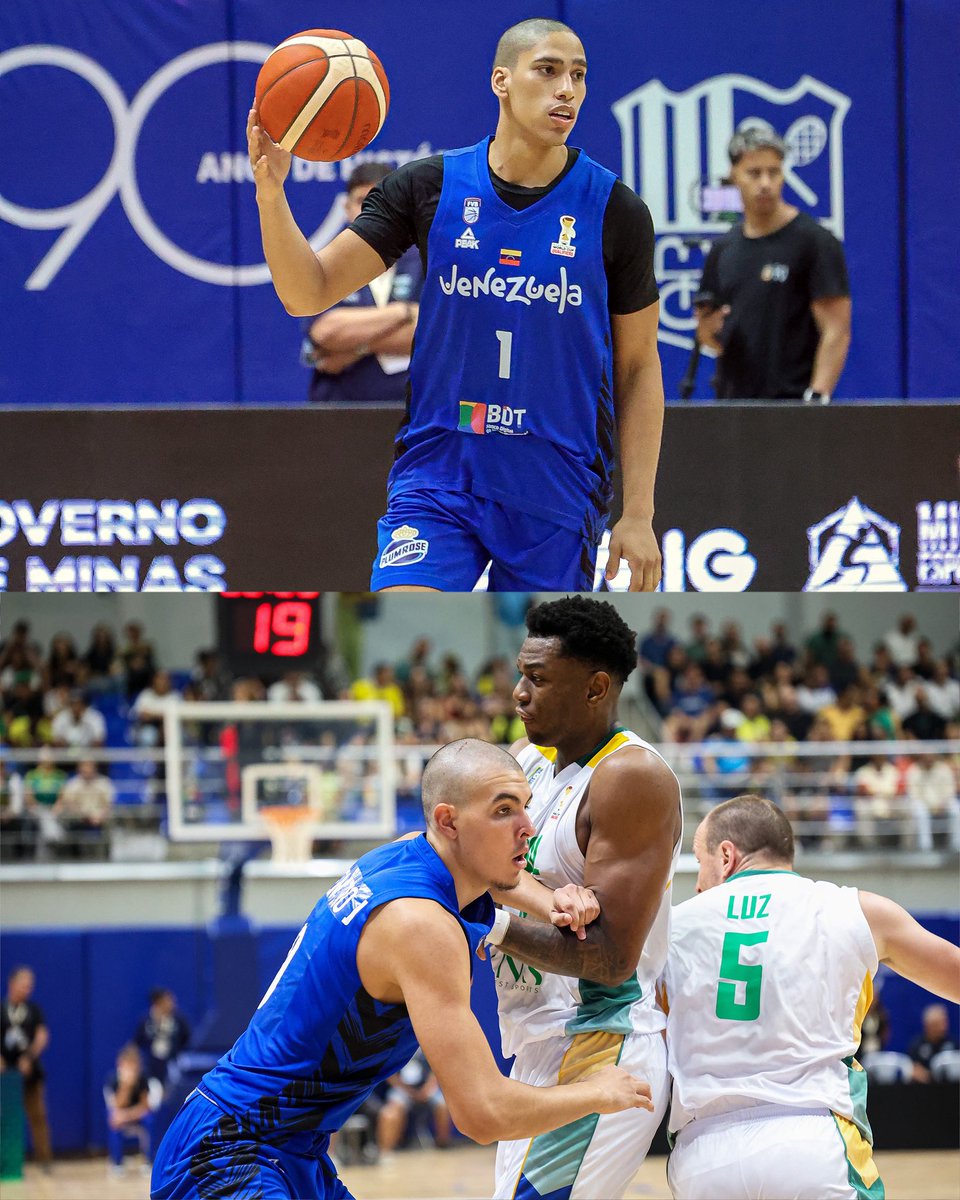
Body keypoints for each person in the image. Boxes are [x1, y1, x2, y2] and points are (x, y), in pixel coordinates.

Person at [248, 18, 664, 592]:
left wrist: (638, 514)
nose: (566, 89)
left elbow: (638, 366)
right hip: (438, 473)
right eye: (547, 70)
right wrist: (271, 193)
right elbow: (306, 292)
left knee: (537, 647)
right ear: (501, 81)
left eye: (578, 75)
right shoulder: (428, 187)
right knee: (405, 618)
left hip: (556, 486)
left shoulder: (616, 209)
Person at [150, 738, 654, 1200]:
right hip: (228, 1152)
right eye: (503, 811)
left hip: (286, 1146)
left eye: (525, 805)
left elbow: (497, 876)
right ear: (448, 821)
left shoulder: (406, 854)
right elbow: (483, 1113)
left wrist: (551, 903)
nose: (528, 826)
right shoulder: (421, 926)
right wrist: (596, 1093)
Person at [662, 794, 960, 1200]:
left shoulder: (673, 926)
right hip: (813, 1140)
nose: (698, 881)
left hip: (703, 1154)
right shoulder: (854, 909)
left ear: (727, 856)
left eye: (700, 860)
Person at [486, 596, 683, 1200]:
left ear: (596, 687)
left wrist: (491, 926)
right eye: (521, 674)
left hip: (602, 1039)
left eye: (539, 678)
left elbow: (611, 958)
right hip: (539, 1041)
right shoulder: (527, 762)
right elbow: (477, 868)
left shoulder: (630, 777)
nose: (519, 693)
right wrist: (539, 899)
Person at [696, 123, 851, 403]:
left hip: (793, 404)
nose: (765, 183)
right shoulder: (723, 249)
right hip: (733, 406)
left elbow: (836, 330)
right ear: (734, 176)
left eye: (774, 172)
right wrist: (709, 329)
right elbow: (710, 337)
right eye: (754, 173)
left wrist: (817, 397)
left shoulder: (815, 241)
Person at [303, 162, 423, 404]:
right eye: (361, 201)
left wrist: (354, 347)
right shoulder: (326, 264)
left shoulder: (426, 260)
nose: (371, 211)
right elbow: (325, 333)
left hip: (414, 407)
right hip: (339, 408)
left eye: (381, 201)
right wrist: (404, 312)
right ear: (347, 209)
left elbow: (430, 333)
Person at [0, 966, 53, 1172]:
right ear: (12, 984)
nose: (27, 990)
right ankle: (7, 1162)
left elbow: (42, 1036)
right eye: (23, 985)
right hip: (5, 1075)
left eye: (30, 986)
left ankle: (44, 1160)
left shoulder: (34, 1010)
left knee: (38, 1116)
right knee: (6, 1118)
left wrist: (29, 1057)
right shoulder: (2, 1009)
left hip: (30, 1073)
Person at [376, 1047, 452, 1154]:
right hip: (402, 1089)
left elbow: (437, 1068)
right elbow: (389, 1075)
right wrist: (409, 1092)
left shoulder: (428, 1044)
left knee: (443, 1105)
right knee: (389, 1113)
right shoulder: (396, 1046)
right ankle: (385, 1151)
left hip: (426, 1089)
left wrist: (427, 1089)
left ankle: (443, 1145)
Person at [104, 1044, 156, 1176]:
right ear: (120, 1064)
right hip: (120, 1114)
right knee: (114, 1121)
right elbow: (116, 1106)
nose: (131, 1069)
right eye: (128, 1065)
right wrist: (126, 1086)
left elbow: (145, 1106)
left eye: (134, 1065)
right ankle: (117, 1163)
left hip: (135, 1115)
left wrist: (127, 1116)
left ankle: (148, 1161)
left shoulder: (143, 1078)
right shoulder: (113, 1079)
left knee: (149, 1119)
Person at [134, 989, 192, 1093]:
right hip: (152, 1064)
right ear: (158, 1002)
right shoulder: (147, 1021)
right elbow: (138, 1041)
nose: (172, 1003)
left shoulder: (178, 1020)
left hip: (172, 1062)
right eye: (168, 1000)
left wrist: (176, 1050)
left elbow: (186, 1038)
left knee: (173, 1089)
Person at [907, 1003, 958, 1083]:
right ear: (927, 1025)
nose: (943, 1027)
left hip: (950, 1086)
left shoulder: (953, 1043)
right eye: (937, 1024)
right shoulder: (917, 1045)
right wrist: (928, 1076)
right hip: (924, 1087)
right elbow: (912, 1069)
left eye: (944, 1022)